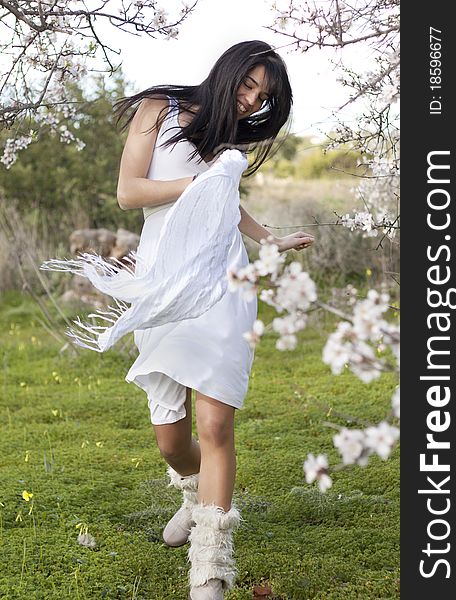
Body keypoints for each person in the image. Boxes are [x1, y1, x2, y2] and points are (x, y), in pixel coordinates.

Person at [117, 40, 314, 599]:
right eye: (249, 86)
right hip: (165, 281)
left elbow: (227, 203)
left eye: (264, 96)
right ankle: (194, 494)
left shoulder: (231, 137)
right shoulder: (159, 108)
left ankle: (211, 565)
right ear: (228, 71)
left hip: (225, 278)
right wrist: (197, 183)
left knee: (216, 426)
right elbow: (129, 192)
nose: (253, 101)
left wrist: (269, 236)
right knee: (172, 442)